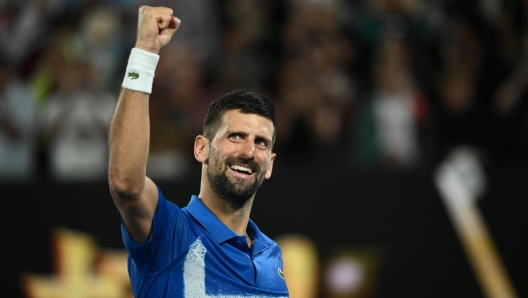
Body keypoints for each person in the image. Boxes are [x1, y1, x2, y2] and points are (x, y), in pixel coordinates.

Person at [108, 6, 289, 297]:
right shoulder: (169, 233)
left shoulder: (272, 257)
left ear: (270, 165)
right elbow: (126, 184)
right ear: (202, 148)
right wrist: (144, 52)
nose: (248, 151)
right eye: (236, 136)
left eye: (261, 143)